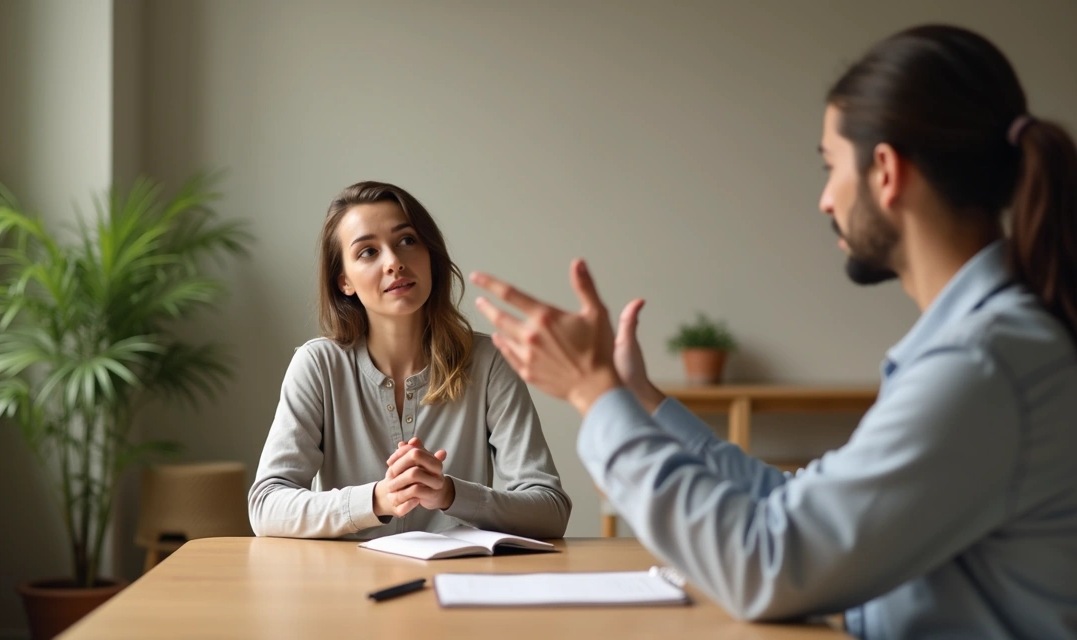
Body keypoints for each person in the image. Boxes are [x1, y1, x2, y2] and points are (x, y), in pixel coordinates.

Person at [471, 25, 1077, 640]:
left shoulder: (980, 364)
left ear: (886, 172)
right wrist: (639, 403)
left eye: (830, 165)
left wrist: (592, 396)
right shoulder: (983, 347)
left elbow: (768, 564)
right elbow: (796, 510)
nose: (824, 199)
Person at [249, 181, 570, 540]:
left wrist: (450, 494)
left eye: (406, 241)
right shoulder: (318, 366)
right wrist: (376, 500)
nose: (394, 263)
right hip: (346, 589)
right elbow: (266, 506)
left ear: (430, 254)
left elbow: (551, 511)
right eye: (368, 252)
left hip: (458, 582)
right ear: (344, 282)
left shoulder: (490, 362)